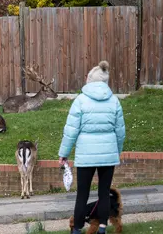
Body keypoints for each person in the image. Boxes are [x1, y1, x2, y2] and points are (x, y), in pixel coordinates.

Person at [58, 61, 126, 234]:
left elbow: (70, 131)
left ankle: (77, 230)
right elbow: (120, 132)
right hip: (108, 156)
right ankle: (102, 228)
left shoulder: (80, 101)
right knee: (104, 193)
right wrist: (116, 152)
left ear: (89, 79)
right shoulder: (114, 101)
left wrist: (64, 154)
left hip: (86, 156)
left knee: (82, 194)